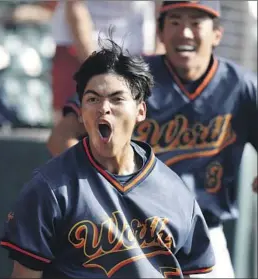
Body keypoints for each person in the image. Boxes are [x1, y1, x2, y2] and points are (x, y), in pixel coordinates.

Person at [46, 1, 258, 278]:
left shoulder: (240, 85)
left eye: (196, 23)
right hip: (134, 235)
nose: (185, 32)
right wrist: (91, 190)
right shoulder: (131, 79)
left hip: (206, 232)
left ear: (217, 34)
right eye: (174, 22)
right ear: (159, 33)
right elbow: (61, 136)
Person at [0, 38, 215, 278]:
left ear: (141, 110)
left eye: (117, 98)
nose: (104, 107)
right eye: (93, 99)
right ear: (80, 113)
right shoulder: (50, 188)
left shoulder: (175, 191)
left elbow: (193, 270)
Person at [50, 0, 164, 124]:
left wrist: (158, 58)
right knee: (70, 124)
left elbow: (163, 5)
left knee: (140, 124)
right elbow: (75, 5)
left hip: (137, 41)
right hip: (76, 44)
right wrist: (94, 67)